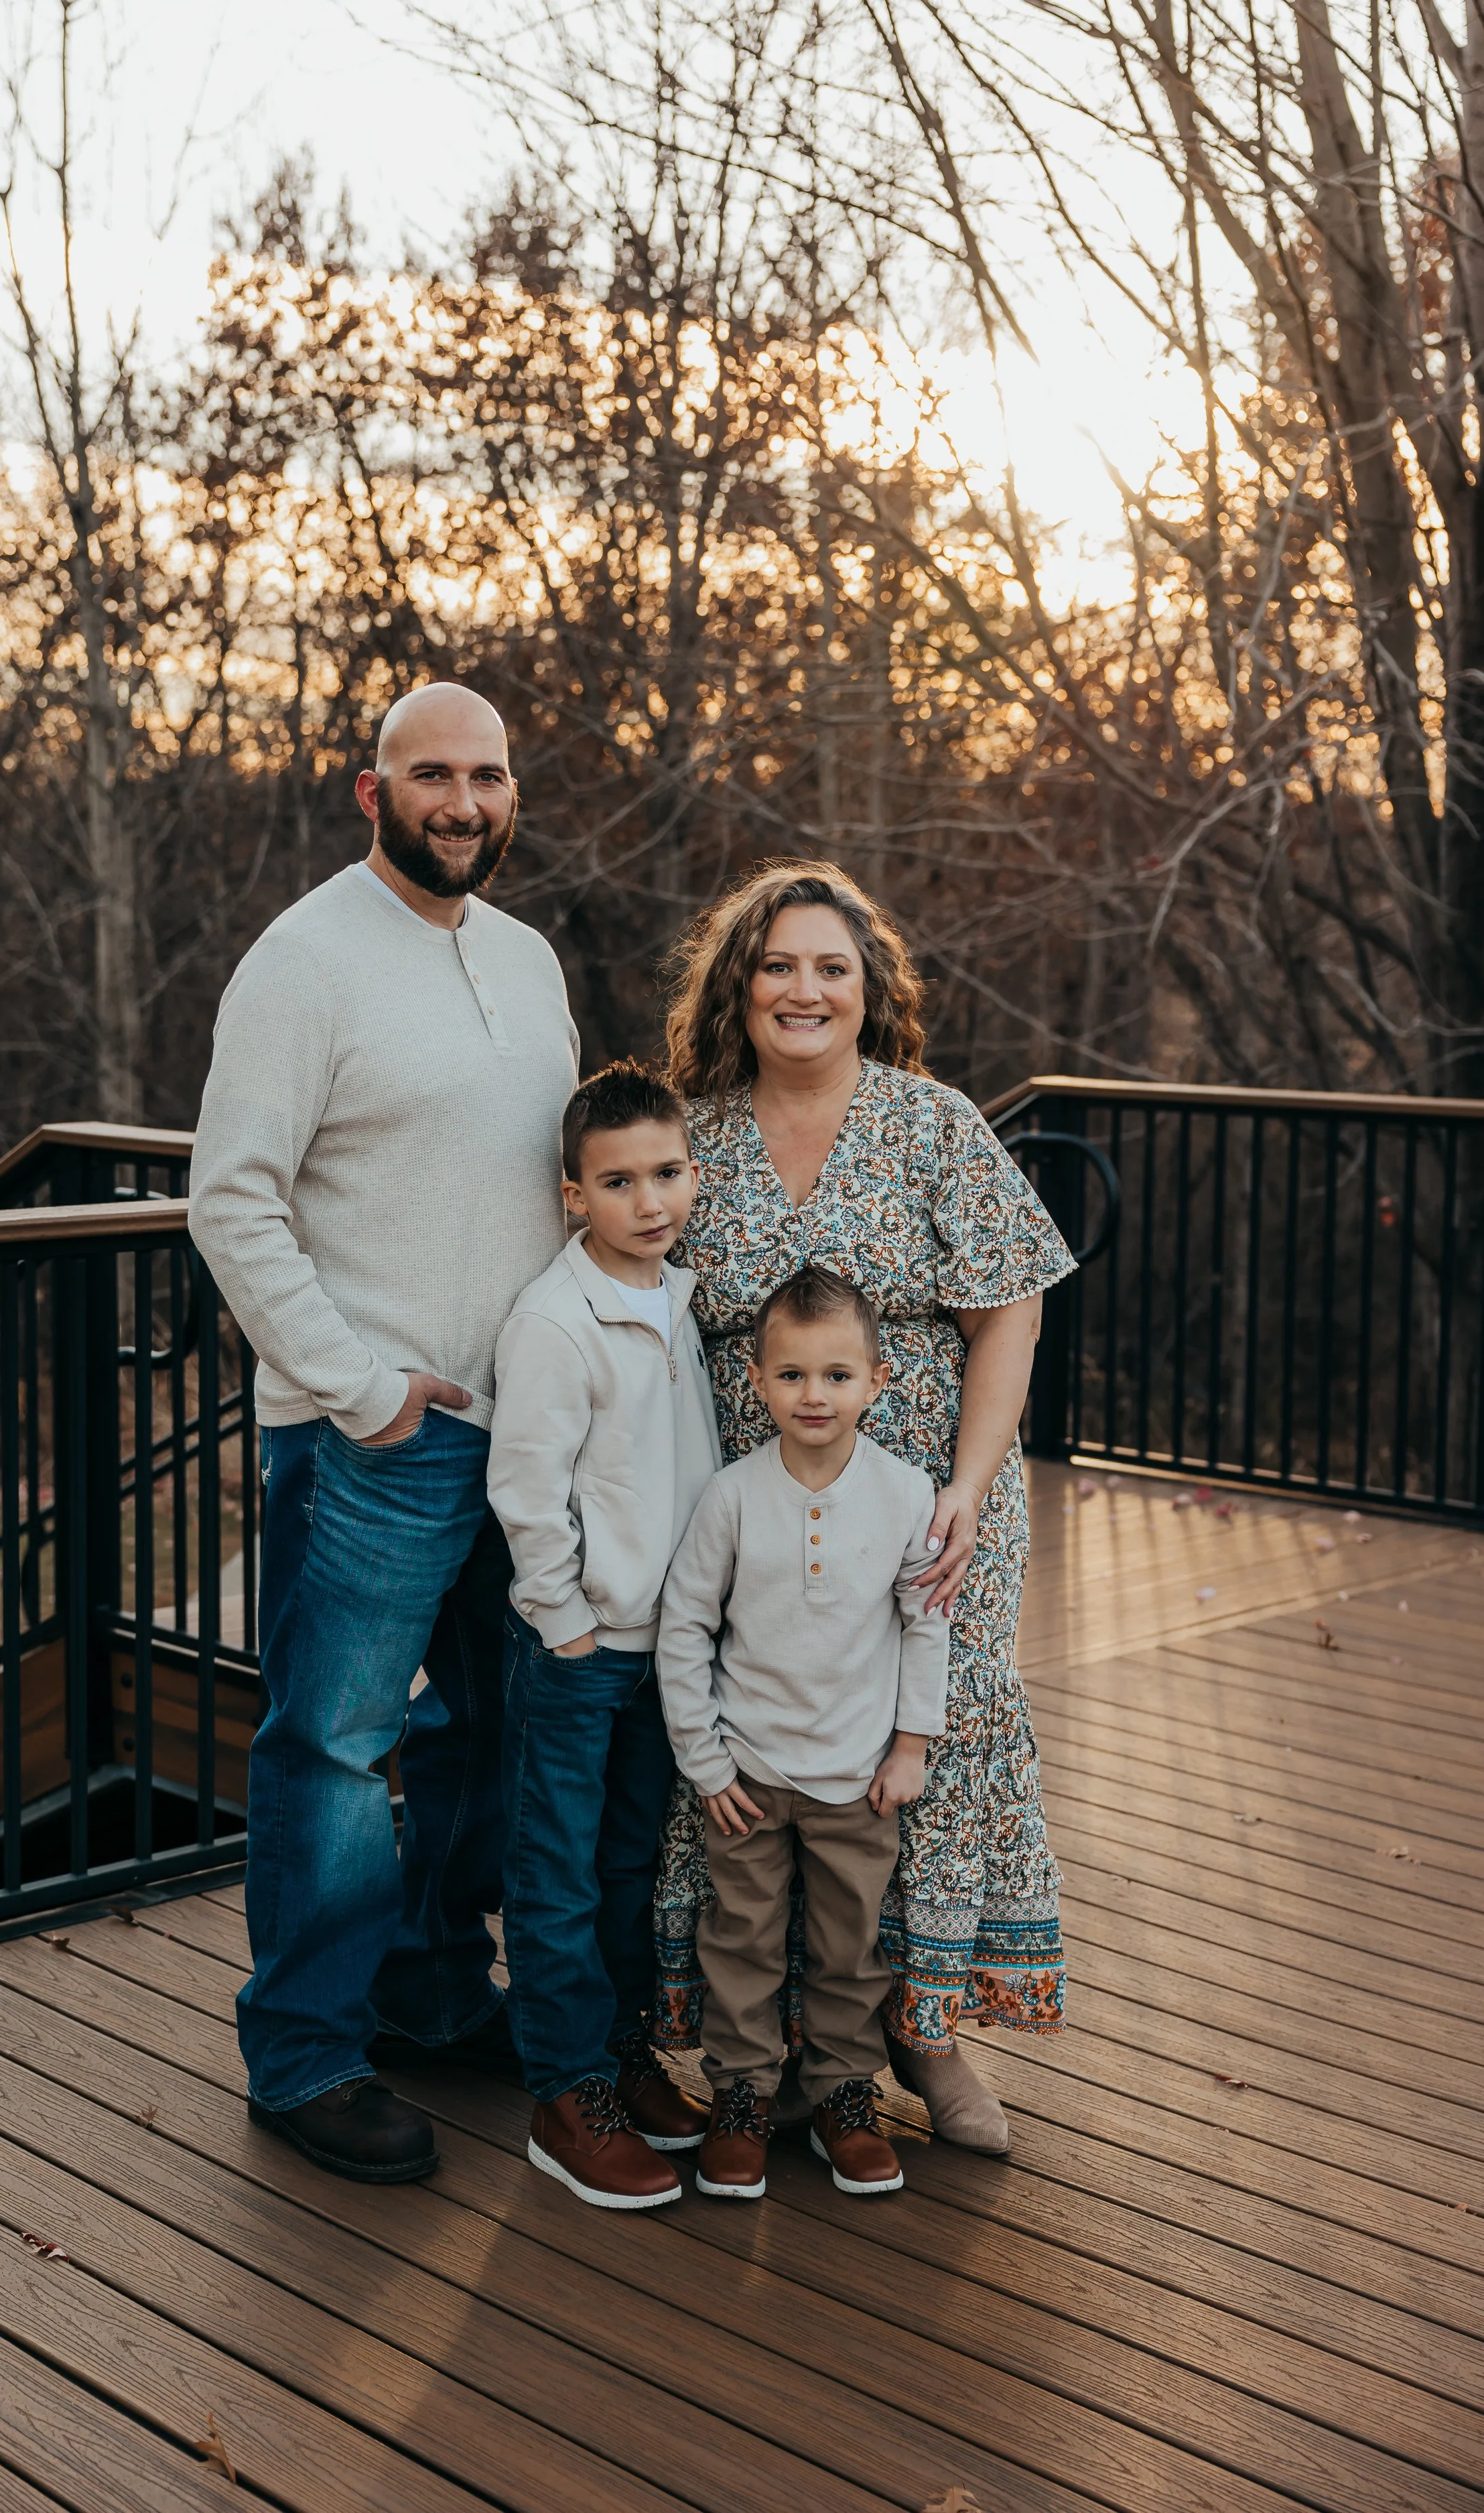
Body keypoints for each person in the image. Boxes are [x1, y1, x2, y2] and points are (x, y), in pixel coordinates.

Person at [188, 682, 578, 2183]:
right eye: (432, 777)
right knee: (334, 1753)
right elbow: (232, 1196)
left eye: (486, 776)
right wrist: (358, 1386)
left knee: (486, 1730)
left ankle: (426, 1991)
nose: (463, 803)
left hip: (524, 1436)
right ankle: (303, 2055)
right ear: (372, 792)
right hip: (373, 1439)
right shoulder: (303, 961)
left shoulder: (529, 958)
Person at [654, 861, 1074, 2158]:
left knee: (925, 1743)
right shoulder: (694, 1135)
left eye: (832, 966)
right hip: (745, 1512)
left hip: (926, 1513)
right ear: (741, 983)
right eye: (779, 963)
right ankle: (775, 2043)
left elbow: (1013, 1302)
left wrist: (966, 1484)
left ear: (867, 988)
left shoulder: (933, 1121)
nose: (804, 988)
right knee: (762, 1750)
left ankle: (920, 2031)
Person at [657, 1264, 951, 2199]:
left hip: (858, 1779)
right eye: (791, 1375)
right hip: (747, 1773)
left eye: (835, 1374)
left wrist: (912, 1746)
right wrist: (703, 1760)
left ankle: (842, 2095)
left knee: (849, 1943)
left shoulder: (907, 1495)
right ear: (756, 1379)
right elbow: (685, 1628)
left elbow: (925, 1623)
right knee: (739, 1939)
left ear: (877, 1379)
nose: (813, 1395)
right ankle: (743, 2093)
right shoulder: (733, 1497)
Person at [488, 1062, 721, 2209]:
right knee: (556, 1872)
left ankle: (625, 2054)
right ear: (574, 1193)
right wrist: (568, 1625)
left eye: (669, 1172)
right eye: (620, 1181)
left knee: (630, 1862)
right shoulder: (554, 1318)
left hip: (668, 1652)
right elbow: (527, 1491)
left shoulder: (680, 1296)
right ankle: (564, 2089)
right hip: (582, 1655)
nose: (651, 1200)